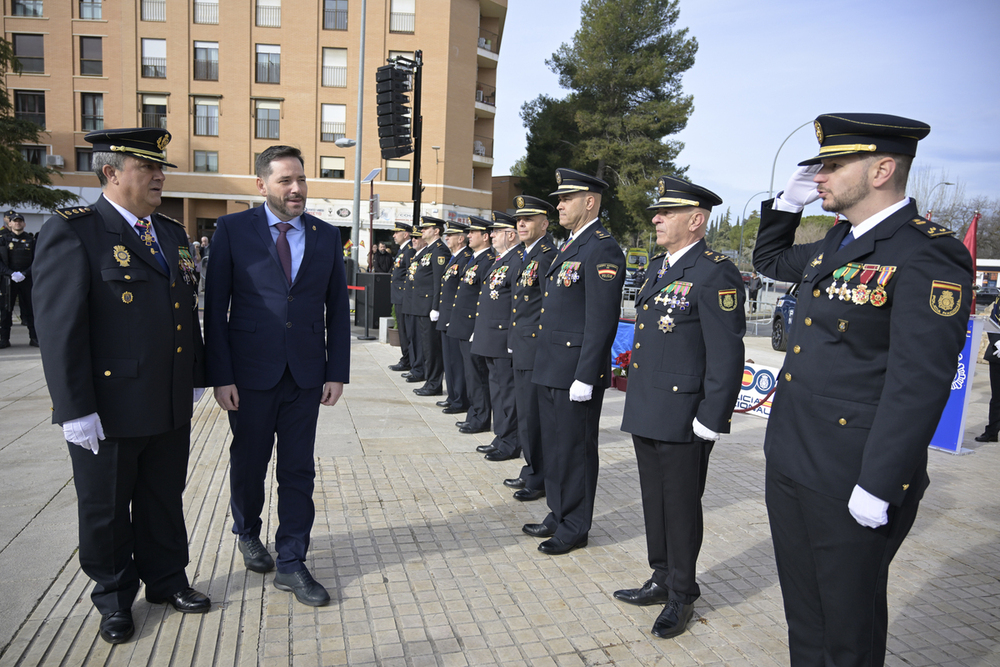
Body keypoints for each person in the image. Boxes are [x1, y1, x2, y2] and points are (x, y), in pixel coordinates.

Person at [752, 113, 972, 666]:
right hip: (793, 457)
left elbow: (918, 382)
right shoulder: (835, 243)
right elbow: (770, 260)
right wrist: (787, 203)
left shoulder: (927, 252)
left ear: (882, 169)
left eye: (833, 165)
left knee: (848, 626)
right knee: (804, 615)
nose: (820, 176)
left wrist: (880, 483)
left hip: (853, 470)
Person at [32, 128, 211, 645]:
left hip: (168, 399)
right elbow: (60, 329)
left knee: (163, 497)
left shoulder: (172, 233)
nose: (159, 176)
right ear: (111, 172)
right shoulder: (76, 231)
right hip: (107, 408)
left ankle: (167, 580)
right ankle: (113, 599)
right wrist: (74, 409)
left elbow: (185, 312)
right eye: (146, 168)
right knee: (107, 509)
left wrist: (195, 375)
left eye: (161, 168)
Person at [204, 145, 350, 607]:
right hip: (248, 374)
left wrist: (336, 371)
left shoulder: (327, 235)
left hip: (305, 375)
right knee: (249, 462)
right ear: (261, 184)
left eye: (301, 180)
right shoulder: (231, 230)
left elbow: (338, 313)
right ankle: (247, 531)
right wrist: (220, 375)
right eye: (286, 180)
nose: (297, 189)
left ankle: (291, 561)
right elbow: (216, 307)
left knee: (298, 469)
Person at [615, 176, 745, 639]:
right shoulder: (657, 267)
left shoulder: (715, 272)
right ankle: (660, 576)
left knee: (682, 506)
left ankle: (682, 594)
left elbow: (727, 354)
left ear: (696, 220)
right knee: (655, 502)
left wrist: (712, 418)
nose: (656, 218)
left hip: (684, 413)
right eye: (657, 212)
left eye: (666, 212)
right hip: (648, 406)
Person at [523, 168, 625, 555]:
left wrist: (587, 374)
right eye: (559, 199)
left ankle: (576, 525)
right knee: (555, 447)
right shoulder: (568, 246)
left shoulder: (602, 248)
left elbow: (601, 319)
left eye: (566, 199)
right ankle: (558, 511)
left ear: (590, 201)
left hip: (575, 373)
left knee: (576, 450)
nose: (559, 205)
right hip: (551, 365)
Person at [504, 195, 557, 499]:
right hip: (522, 345)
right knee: (526, 415)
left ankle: (540, 478)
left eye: (528, 219)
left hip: (535, 348)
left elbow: (549, 305)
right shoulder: (527, 255)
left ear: (544, 224)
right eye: (518, 220)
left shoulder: (546, 255)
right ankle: (531, 470)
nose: (520, 224)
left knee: (535, 417)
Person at [472, 212, 521, 461]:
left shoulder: (517, 260)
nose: (490, 235)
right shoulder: (502, 259)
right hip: (491, 337)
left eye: (496, 231)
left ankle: (510, 442)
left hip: (502, 338)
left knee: (507, 392)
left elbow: (517, 304)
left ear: (510, 235)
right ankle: (501, 436)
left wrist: (511, 339)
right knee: (497, 390)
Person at [447, 216, 496, 434]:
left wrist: (477, 328)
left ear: (485, 237)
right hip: (464, 325)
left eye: (473, 233)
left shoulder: (487, 261)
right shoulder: (475, 259)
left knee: (478, 375)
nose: (468, 236)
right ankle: (474, 413)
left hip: (472, 326)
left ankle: (481, 418)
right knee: (471, 374)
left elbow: (483, 297)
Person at [436, 221, 473, 414]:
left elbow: (462, 291)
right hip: (447, 316)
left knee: (457, 363)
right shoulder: (454, 258)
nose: (446, 238)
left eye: (450, 235)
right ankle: (452, 396)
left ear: (461, 238)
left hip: (455, 317)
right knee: (449, 360)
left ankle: (460, 399)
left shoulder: (466, 258)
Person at [411, 217, 450, 397]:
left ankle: (434, 383)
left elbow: (438, 283)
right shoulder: (428, 250)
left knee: (432, 348)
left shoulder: (439, 251)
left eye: (426, 228)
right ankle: (430, 380)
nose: (422, 231)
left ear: (436, 231)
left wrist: (436, 307)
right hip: (421, 306)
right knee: (426, 346)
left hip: (429, 308)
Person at [0, 211, 38, 347]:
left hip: (26, 279)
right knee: (5, 310)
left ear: (24, 224)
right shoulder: (3, 240)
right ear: (9, 223)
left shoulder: (30, 240)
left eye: (20, 221)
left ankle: (34, 338)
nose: (17, 223)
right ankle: (3, 339)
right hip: (9, 280)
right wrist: (10, 273)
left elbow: (36, 261)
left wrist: (25, 274)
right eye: (15, 221)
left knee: (30, 310)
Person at [400, 227, 427, 383]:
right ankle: (415, 367)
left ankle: (418, 369)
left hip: (420, 304)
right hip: (411, 302)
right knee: (412, 337)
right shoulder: (417, 255)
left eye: (417, 237)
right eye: (413, 238)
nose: (413, 240)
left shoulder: (426, 254)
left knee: (418, 340)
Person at [388, 223, 415, 372]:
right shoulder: (403, 250)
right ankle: (406, 358)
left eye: (397, 232)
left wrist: (405, 295)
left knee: (406, 331)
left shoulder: (409, 250)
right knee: (403, 331)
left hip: (403, 297)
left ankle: (408, 360)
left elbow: (410, 275)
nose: (394, 235)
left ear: (406, 234)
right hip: (398, 297)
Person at [975, 297, 1000, 442]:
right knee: (997, 397)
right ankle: (992, 431)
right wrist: (997, 342)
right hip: (998, 353)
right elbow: (994, 320)